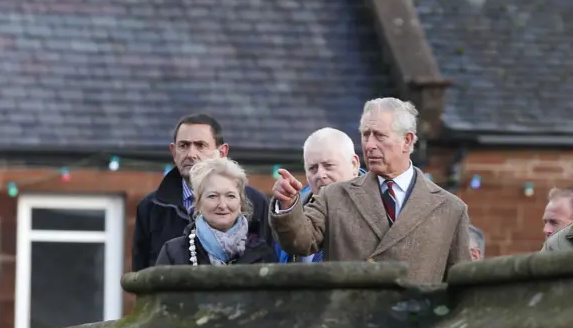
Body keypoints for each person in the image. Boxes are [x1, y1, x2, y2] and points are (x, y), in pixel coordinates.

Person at [270, 97, 470, 284]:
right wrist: (288, 205)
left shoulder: (450, 209)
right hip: (351, 318)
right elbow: (300, 242)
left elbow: (460, 282)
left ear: (407, 141)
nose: (370, 145)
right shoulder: (334, 196)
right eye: (366, 135)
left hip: (416, 319)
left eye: (380, 136)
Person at [132, 113, 271, 270]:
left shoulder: (255, 202)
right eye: (183, 145)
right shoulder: (150, 207)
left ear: (223, 152)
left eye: (200, 145)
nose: (191, 154)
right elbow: (140, 277)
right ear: (173, 152)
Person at [156, 157, 277, 266]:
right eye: (213, 196)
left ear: (240, 203)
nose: (222, 205)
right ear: (198, 204)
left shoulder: (262, 253)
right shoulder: (173, 253)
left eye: (230, 196)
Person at [276, 127, 363, 264]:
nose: (320, 175)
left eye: (329, 166)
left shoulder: (378, 203)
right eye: (312, 168)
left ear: (354, 164)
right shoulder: (293, 208)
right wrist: (287, 207)